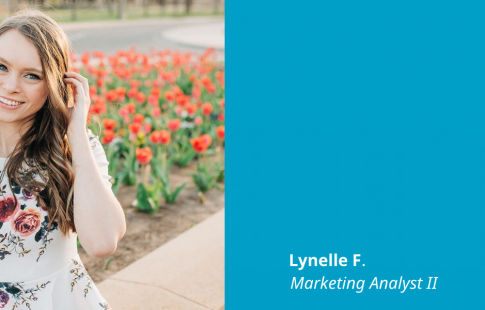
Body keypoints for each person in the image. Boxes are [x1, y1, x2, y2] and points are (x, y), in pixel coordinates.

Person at [0, 9, 126, 309]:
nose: (10, 85)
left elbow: (102, 242)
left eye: (32, 75)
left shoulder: (71, 148)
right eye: (1, 67)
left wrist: (77, 133)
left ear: (55, 84)